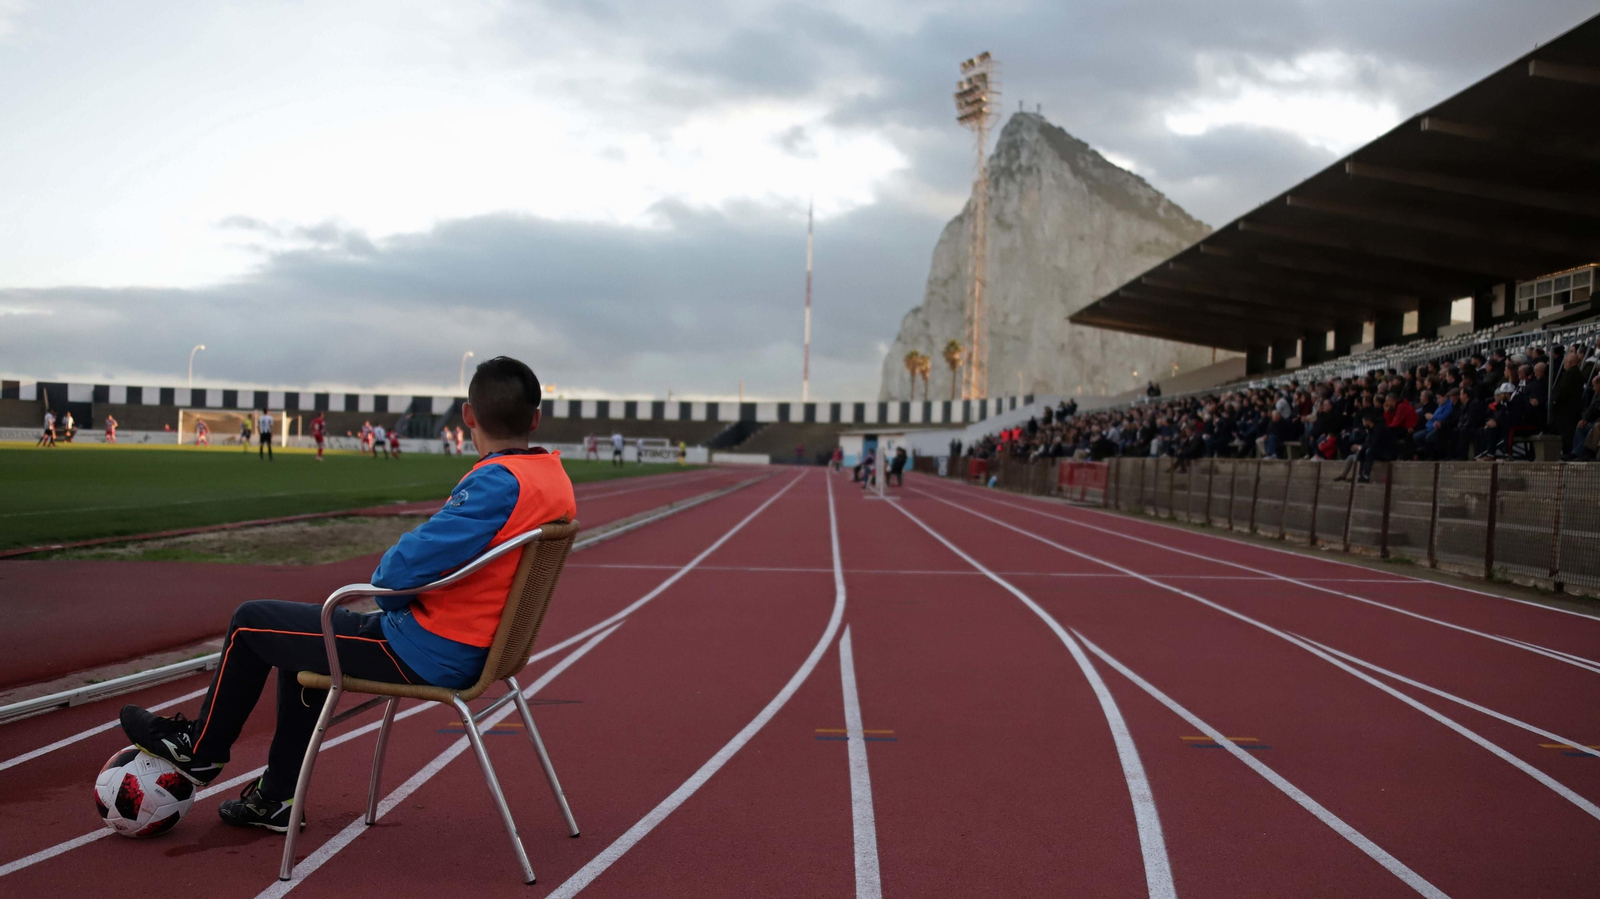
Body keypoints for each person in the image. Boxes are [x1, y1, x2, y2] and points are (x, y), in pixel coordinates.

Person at [117, 356, 573, 832]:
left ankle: (200, 749)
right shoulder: (552, 478)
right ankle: (275, 797)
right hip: (478, 646)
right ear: (536, 419)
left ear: (468, 416)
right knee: (296, 648)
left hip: (432, 650)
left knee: (251, 622)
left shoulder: (496, 482)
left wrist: (394, 601)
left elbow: (394, 576)